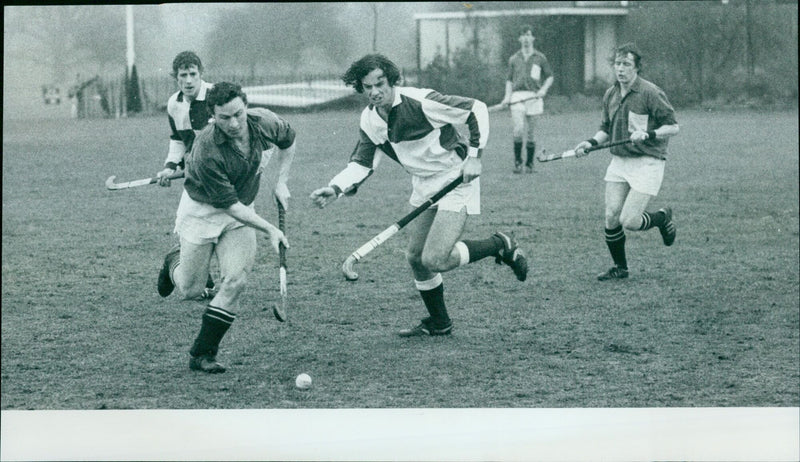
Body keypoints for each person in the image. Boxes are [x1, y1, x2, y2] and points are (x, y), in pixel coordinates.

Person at [310, 54, 528, 338]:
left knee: (435, 258)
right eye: (368, 87)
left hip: (455, 177)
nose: (375, 92)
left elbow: (477, 110)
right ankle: (439, 322)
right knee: (415, 257)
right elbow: (363, 162)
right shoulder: (370, 120)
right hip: (424, 183)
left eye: (381, 84)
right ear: (360, 88)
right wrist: (336, 187)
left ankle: (499, 244)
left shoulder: (422, 101)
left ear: (392, 81)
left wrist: (475, 157)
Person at [156, 82, 295, 373]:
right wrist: (270, 229)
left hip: (240, 212)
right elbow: (228, 205)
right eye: (224, 118)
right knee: (191, 289)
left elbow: (288, 139)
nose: (233, 123)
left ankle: (203, 353)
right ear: (212, 117)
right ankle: (173, 262)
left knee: (235, 280)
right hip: (203, 210)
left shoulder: (264, 122)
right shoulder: (206, 149)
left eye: (238, 114)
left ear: (246, 106)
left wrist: (281, 181)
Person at [571, 43, 679, 281]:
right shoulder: (610, 94)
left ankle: (661, 218)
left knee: (629, 221)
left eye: (626, 64)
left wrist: (649, 134)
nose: (620, 69)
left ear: (637, 68)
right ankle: (620, 268)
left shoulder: (650, 93)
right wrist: (589, 143)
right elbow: (606, 129)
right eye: (617, 64)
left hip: (648, 161)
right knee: (611, 216)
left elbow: (673, 126)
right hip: (620, 161)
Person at [498, 25, 554, 174]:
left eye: (529, 35)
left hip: (534, 96)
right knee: (518, 129)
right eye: (523, 35)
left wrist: (543, 90)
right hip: (518, 96)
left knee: (531, 133)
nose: (526, 38)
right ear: (520, 39)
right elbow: (509, 80)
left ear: (532, 38)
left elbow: (549, 77)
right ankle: (518, 163)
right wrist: (507, 97)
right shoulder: (514, 59)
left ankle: (529, 165)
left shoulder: (540, 57)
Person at [155, 51, 214, 188]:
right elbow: (178, 139)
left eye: (193, 74)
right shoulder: (173, 103)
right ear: (176, 77)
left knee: (237, 209)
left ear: (201, 74)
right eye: (183, 75)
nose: (188, 81)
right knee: (185, 211)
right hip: (199, 175)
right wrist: (170, 167)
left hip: (227, 173)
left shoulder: (216, 95)